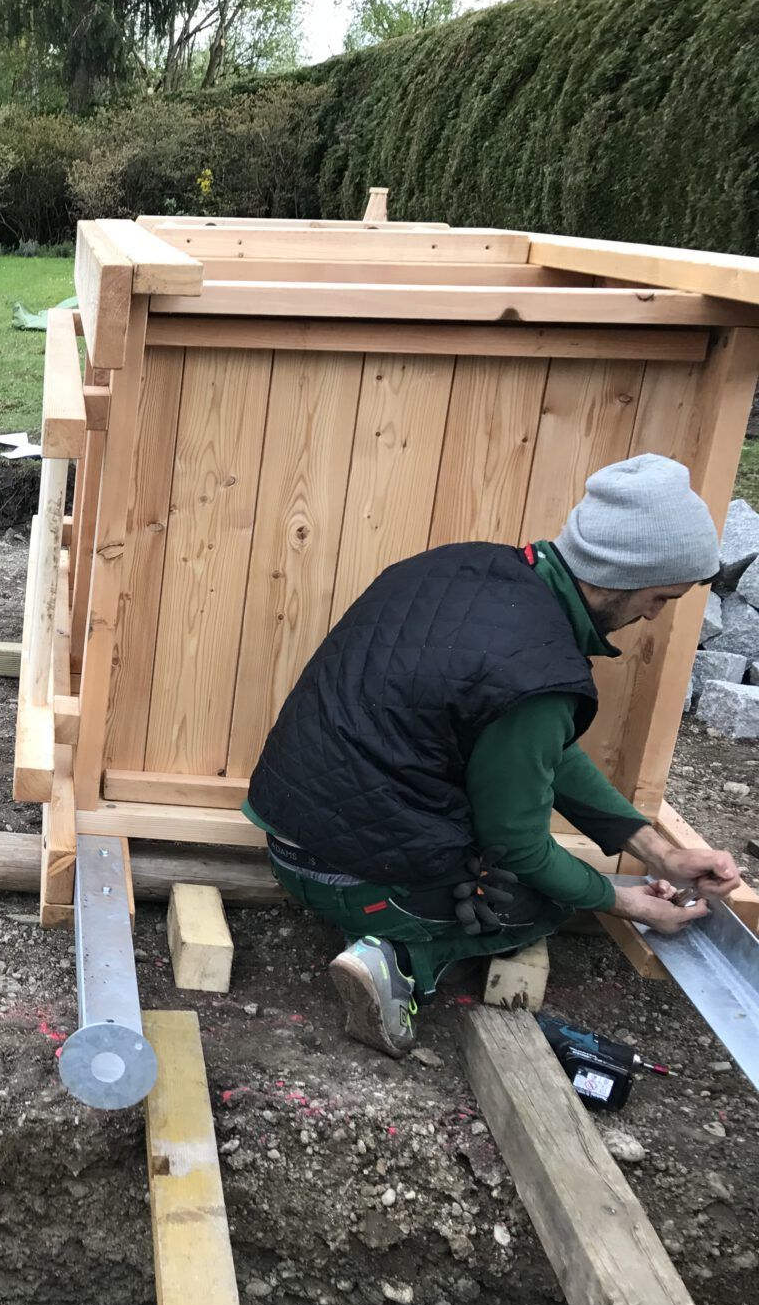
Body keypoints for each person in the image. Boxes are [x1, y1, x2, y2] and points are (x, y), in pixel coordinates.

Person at [245, 453, 745, 1057]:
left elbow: (541, 751)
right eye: (661, 596)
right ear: (622, 573)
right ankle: (400, 955)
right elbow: (519, 848)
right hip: (351, 878)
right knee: (540, 899)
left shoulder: (462, 566)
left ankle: (384, 919)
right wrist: (621, 900)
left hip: (288, 833)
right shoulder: (534, 677)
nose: (653, 615)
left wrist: (659, 852)